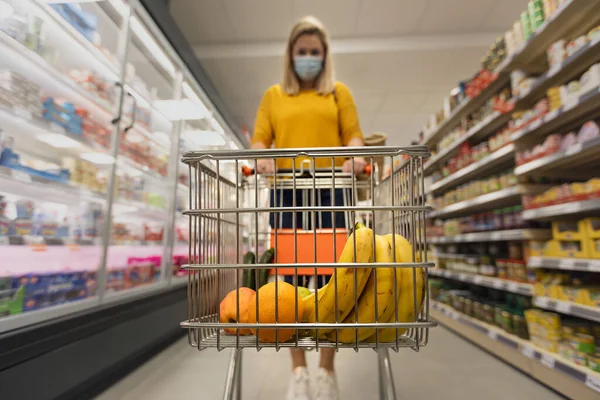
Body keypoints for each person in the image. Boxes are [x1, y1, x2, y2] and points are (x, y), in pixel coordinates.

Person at [251, 15, 365, 400]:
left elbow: (353, 138)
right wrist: (263, 159)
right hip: (287, 192)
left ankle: (327, 371)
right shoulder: (273, 96)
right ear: (290, 55)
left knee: (335, 281)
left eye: (315, 52)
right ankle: (298, 371)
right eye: (302, 52)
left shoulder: (338, 93)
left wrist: (355, 158)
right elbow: (259, 142)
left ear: (325, 55)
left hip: (331, 192)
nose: (308, 58)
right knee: (291, 283)